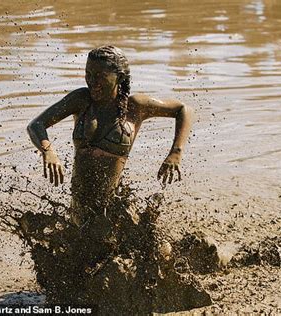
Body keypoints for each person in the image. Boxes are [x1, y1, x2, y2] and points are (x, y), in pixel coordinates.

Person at [27, 46, 193, 226]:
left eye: (100, 76)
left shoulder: (135, 107)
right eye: (88, 74)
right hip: (78, 211)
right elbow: (36, 124)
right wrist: (48, 151)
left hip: (112, 213)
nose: (92, 81)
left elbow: (184, 109)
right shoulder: (81, 100)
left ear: (119, 78)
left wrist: (175, 152)